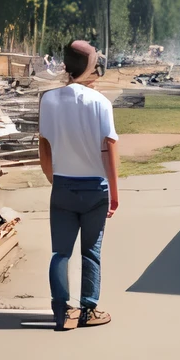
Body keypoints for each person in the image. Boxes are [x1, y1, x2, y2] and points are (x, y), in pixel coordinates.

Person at [38, 40, 120, 330]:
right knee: (91, 252)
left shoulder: (48, 99)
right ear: (91, 66)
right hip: (95, 187)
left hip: (62, 185)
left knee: (60, 252)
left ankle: (61, 311)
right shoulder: (100, 103)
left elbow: (44, 146)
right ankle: (88, 309)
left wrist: (53, 178)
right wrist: (114, 191)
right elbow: (109, 147)